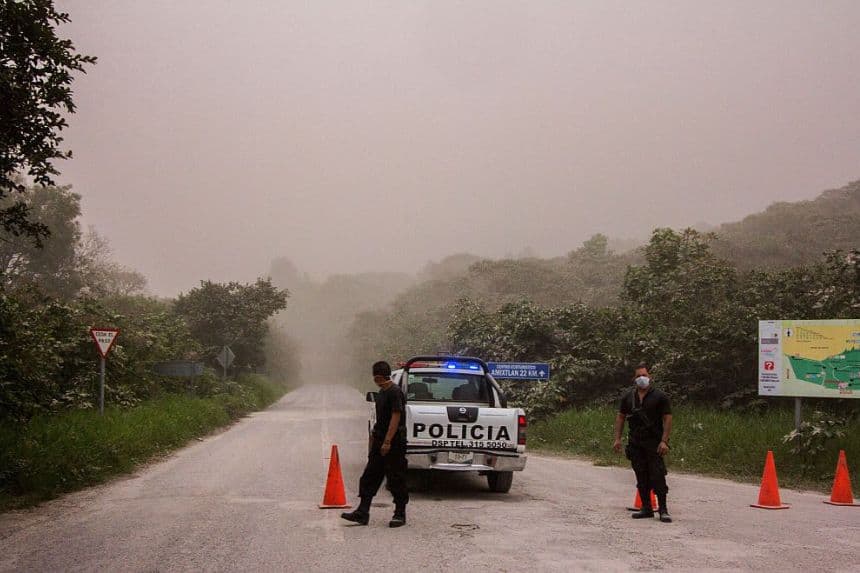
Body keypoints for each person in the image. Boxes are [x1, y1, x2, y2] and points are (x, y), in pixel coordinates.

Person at [341, 361, 409, 527]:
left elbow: (396, 416)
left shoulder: (394, 392)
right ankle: (362, 512)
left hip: (393, 443)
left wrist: (387, 441)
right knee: (369, 476)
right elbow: (380, 420)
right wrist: (374, 441)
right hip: (380, 440)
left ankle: (399, 514)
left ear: (378, 376)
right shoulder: (382, 392)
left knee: (396, 478)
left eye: (375, 377)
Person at [613, 363, 673, 523]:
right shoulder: (628, 397)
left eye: (644, 375)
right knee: (641, 476)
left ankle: (663, 510)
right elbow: (620, 417)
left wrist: (664, 441)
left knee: (658, 475)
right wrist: (617, 439)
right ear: (634, 379)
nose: (642, 378)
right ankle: (646, 508)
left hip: (654, 443)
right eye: (638, 376)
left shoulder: (660, 396)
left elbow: (667, 418)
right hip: (635, 443)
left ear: (650, 377)